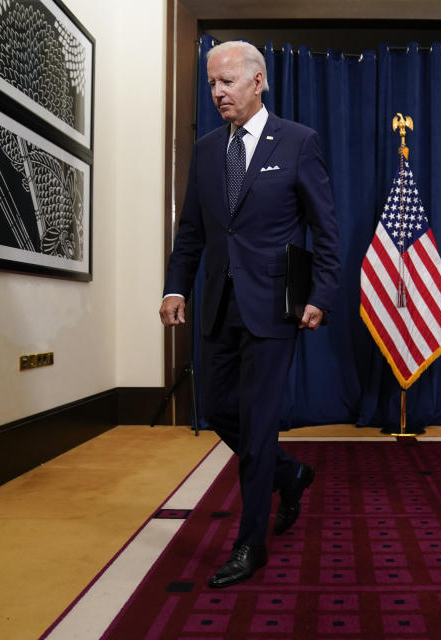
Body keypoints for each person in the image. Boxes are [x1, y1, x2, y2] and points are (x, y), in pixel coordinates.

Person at [159, 40, 340, 588]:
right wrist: (174, 289)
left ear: (258, 81)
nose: (216, 92)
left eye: (227, 82)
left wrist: (322, 294)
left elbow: (327, 230)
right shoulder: (209, 149)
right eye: (212, 83)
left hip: (273, 309)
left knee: (259, 430)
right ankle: (293, 474)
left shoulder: (299, 143)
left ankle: (249, 543)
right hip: (217, 307)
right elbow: (192, 231)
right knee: (218, 411)